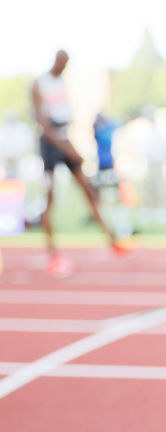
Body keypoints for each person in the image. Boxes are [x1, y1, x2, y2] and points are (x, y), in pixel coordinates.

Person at [31, 50, 129, 276]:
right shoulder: (39, 84)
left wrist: (72, 146)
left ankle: (112, 240)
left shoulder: (63, 84)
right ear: (56, 61)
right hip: (50, 144)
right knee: (50, 197)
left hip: (65, 140)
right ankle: (53, 253)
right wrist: (68, 150)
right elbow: (44, 125)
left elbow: (67, 118)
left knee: (89, 190)